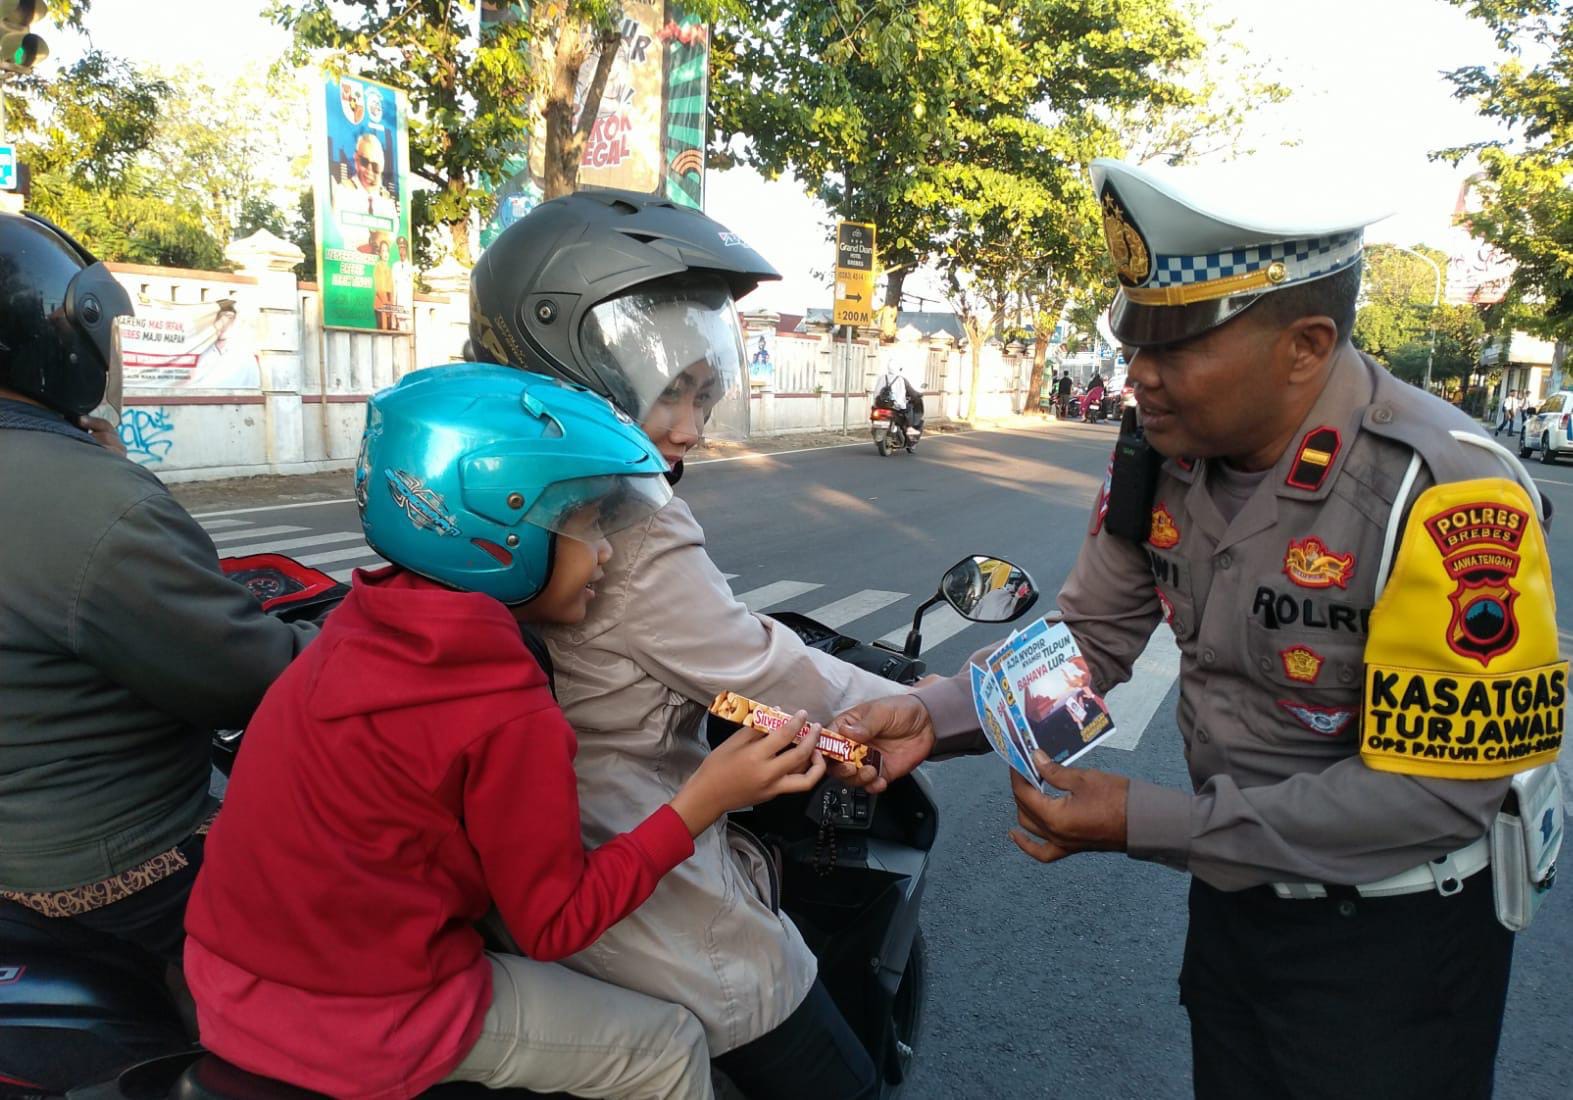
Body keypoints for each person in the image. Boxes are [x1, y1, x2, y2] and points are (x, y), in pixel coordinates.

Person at [830, 156, 1563, 1098]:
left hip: (1396, 945)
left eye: (1175, 346)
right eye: (1135, 340)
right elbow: (1089, 643)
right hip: (1236, 908)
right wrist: (931, 717)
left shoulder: (1448, 495)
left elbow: (1433, 797)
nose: (1139, 373)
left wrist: (1146, 820)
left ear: (1303, 346)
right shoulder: (1160, 458)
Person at [182, 364, 832, 1099]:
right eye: (586, 524)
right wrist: (707, 797)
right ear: (501, 532)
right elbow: (555, 922)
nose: (607, 552)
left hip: (226, 978)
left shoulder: (356, 624)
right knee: (667, 1047)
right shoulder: (498, 703)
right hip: (367, 1017)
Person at [469, 188, 890, 1099]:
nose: (693, 429)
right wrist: (936, 704)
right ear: (578, 363)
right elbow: (755, 668)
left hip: (523, 869)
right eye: (673, 393)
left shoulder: (488, 482)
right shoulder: (625, 523)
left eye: (705, 393)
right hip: (633, 872)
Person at [0, 213, 317, 1002]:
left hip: (22, 836)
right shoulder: (89, 498)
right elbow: (252, 679)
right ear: (61, 336)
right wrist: (341, 641)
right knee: (374, 905)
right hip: (110, 862)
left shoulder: (78, 481)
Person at [185, 299, 260, 389]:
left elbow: (254, 387)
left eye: (230, 318)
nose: (224, 324)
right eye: (219, 318)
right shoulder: (202, 352)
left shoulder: (244, 355)